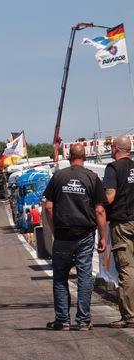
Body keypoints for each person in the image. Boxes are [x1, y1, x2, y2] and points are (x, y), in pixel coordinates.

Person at [43, 143, 107, 331]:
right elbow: (100, 210)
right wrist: (102, 236)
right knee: (84, 276)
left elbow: (48, 207)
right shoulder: (92, 178)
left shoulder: (58, 176)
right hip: (84, 234)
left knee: (60, 278)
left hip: (63, 234)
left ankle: (62, 320)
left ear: (69, 156)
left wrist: (55, 231)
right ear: (85, 156)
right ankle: (83, 320)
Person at [103, 136, 134, 328]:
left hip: (122, 223)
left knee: (126, 269)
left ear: (115, 149)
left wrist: (97, 204)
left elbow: (110, 197)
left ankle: (130, 316)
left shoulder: (113, 169)